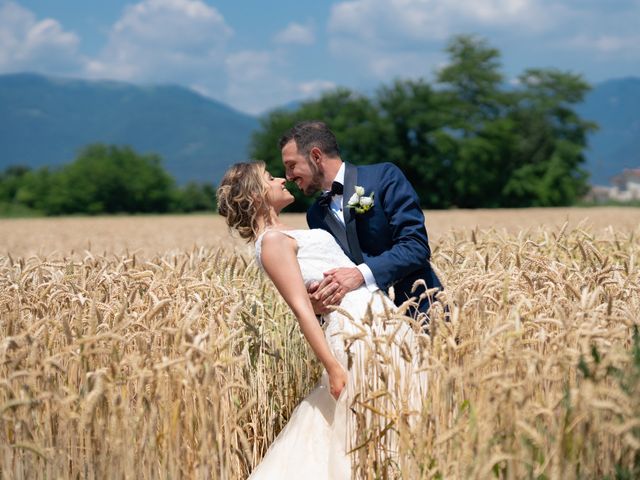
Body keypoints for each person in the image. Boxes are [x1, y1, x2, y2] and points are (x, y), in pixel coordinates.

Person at [217, 161, 427, 479]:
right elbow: (302, 310)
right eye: (269, 177)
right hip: (355, 332)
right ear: (255, 194)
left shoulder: (287, 232)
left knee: (400, 416)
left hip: (381, 321)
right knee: (371, 427)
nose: (280, 180)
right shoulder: (272, 242)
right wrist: (332, 368)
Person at [279, 120, 443, 321]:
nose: (287, 176)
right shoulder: (315, 215)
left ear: (315, 156)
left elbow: (415, 247)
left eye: (291, 165)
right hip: (366, 324)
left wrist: (360, 274)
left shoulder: (383, 176)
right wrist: (318, 298)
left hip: (422, 312)